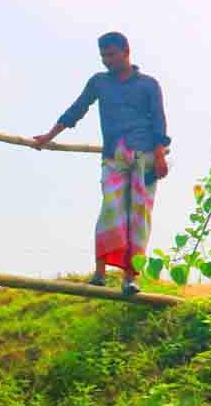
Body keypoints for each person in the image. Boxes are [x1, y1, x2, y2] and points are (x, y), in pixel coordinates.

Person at [33, 32, 170, 297]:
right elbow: (77, 109)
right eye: (103, 56)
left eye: (111, 55)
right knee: (111, 211)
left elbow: (158, 121)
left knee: (138, 217)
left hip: (145, 157)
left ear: (126, 51)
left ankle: (131, 278)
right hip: (113, 157)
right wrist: (50, 136)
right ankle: (99, 273)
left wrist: (161, 155)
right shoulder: (99, 83)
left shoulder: (148, 85)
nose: (107, 61)